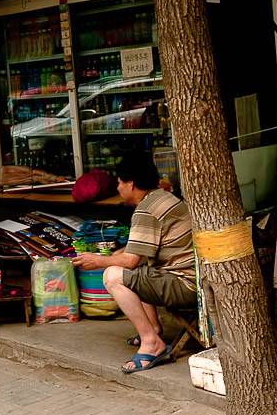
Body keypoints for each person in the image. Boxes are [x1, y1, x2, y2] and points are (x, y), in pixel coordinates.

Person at [72, 153, 195, 373]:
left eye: (119, 182)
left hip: (185, 284)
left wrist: (98, 260)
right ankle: (153, 327)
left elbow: (129, 261)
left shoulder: (146, 210)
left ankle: (152, 342)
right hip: (191, 277)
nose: (118, 188)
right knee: (133, 266)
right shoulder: (162, 197)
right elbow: (136, 253)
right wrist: (115, 255)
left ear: (131, 183)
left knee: (112, 276)